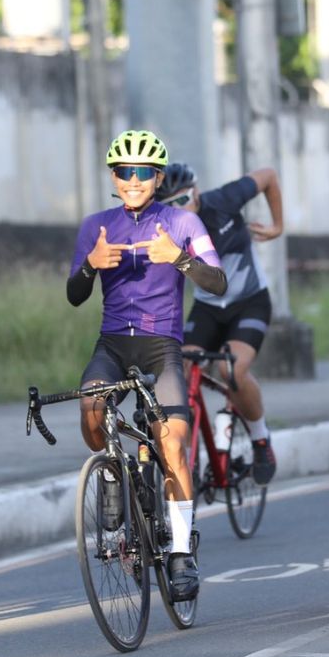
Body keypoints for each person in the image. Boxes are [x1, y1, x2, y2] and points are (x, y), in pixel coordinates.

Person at [67, 130, 227, 601]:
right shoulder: (96, 225)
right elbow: (75, 295)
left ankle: (180, 553)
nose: (133, 180)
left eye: (142, 173)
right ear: (114, 178)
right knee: (91, 406)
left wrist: (178, 259)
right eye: (124, 172)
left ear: (157, 178)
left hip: (162, 346)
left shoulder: (182, 223)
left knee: (173, 443)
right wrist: (91, 265)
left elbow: (217, 282)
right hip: (113, 344)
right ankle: (114, 473)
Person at [161, 160, 287, 484]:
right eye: (169, 206)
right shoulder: (163, 230)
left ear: (197, 191)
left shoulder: (224, 200)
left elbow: (269, 175)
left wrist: (277, 226)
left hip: (249, 304)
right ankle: (187, 460)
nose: (180, 209)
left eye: (183, 199)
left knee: (230, 370)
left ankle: (260, 439)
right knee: (182, 371)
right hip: (207, 309)